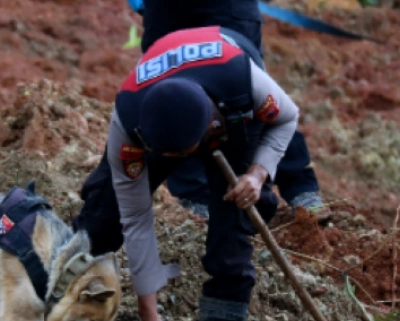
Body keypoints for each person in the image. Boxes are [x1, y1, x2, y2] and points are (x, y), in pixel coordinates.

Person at [72, 25, 301, 321]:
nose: (180, 163)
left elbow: (287, 118)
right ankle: (79, 319)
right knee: (102, 220)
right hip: (164, 92)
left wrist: (257, 175)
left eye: (184, 155)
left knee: (231, 241)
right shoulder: (129, 122)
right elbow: (136, 219)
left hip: (228, 103)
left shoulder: (244, 82)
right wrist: (150, 314)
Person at [138, 0, 326, 219]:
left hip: (229, 6)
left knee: (246, 90)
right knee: (172, 95)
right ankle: (196, 199)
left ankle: (299, 188)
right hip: (165, 9)